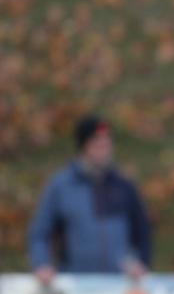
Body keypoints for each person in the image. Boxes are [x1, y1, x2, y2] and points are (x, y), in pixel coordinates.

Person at [28, 115, 152, 283]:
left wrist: (141, 263)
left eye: (107, 144)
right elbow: (40, 234)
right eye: (98, 144)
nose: (105, 149)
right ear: (84, 146)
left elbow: (142, 233)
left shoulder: (124, 186)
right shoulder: (61, 187)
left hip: (120, 287)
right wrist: (42, 265)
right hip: (75, 287)